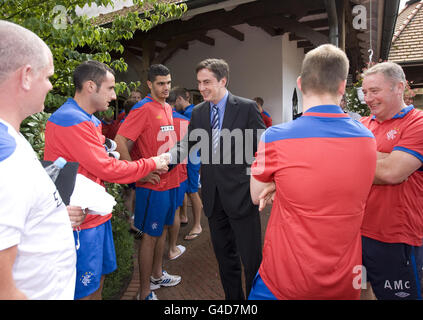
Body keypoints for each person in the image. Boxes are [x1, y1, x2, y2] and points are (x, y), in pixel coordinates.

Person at [248, 44, 377, 300]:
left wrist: (277, 183)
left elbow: (256, 195)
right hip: (343, 281)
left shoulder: (275, 137)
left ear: (299, 83)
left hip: (283, 280)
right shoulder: (367, 138)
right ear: (342, 86)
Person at [44, 60, 170, 300]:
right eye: (110, 88)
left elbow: (102, 155)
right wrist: (152, 162)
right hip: (81, 222)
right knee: (84, 290)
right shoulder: (71, 120)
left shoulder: (88, 119)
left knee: (98, 281)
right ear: (91, 86)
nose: (114, 96)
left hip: (95, 216)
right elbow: (107, 168)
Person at [0, 20, 83, 299]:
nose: (50, 86)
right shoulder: (5, 158)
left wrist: (54, 214)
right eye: (47, 76)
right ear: (25, 76)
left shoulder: (11, 138)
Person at [170, 58, 265, 300]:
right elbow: (188, 143)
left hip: (242, 197)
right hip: (213, 199)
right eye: (199, 82)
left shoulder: (246, 108)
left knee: (252, 261)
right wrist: (164, 161)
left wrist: (266, 184)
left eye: (207, 82)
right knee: (225, 261)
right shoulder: (200, 112)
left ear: (223, 81)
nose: (201, 88)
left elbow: (262, 150)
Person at [115, 64, 182, 300]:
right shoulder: (142, 108)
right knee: (150, 237)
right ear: (150, 84)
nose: (166, 88)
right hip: (152, 185)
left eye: (168, 83)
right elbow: (120, 141)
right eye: (161, 83)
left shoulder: (165, 107)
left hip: (170, 181)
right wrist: (137, 173)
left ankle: (157, 274)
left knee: (162, 230)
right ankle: (143, 294)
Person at [360, 62, 423, 300]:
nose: (368, 98)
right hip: (357, 233)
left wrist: (358, 159)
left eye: (374, 91)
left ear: (399, 87)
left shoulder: (417, 122)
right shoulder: (363, 125)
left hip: (396, 238)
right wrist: (385, 158)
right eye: (364, 92)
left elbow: (392, 173)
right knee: (361, 292)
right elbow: (334, 163)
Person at [169, 87, 203, 240]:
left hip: (191, 157)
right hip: (185, 157)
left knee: (192, 190)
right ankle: (183, 216)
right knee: (185, 189)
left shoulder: (191, 114)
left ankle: (198, 225)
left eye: (174, 102)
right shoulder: (186, 113)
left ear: (179, 99)